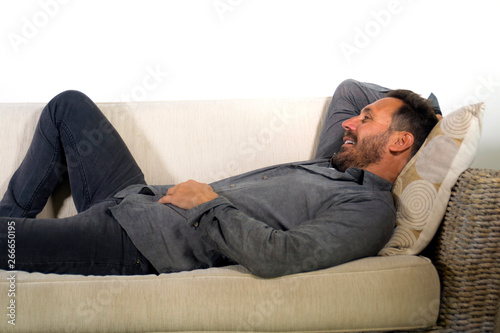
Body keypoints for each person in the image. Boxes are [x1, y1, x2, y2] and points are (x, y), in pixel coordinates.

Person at [0, 79, 440, 278]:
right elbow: (350, 88)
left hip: (139, 244)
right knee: (68, 107)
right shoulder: (338, 161)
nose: (350, 122)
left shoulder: (368, 210)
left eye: (366, 119)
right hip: (134, 199)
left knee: (8, 242)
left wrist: (207, 202)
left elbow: (282, 257)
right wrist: (429, 110)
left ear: (399, 143)